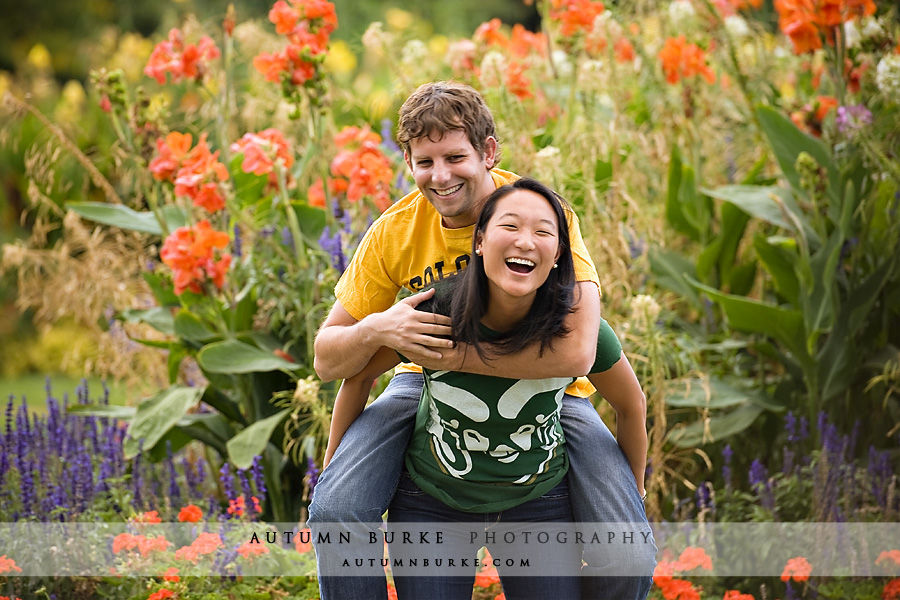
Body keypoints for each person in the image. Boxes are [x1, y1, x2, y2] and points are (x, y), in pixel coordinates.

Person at [309, 81, 656, 600]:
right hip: (421, 376)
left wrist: (457, 355)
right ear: (406, 160)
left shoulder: (539, 218)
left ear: (489, 151)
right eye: (424, 161)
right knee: (335, 508)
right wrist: (379, 328)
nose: (440, 176)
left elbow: (580, 352)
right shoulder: (395, 230)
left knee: (629, 549)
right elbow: (328, 359)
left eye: (455, 157)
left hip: (553, 387)